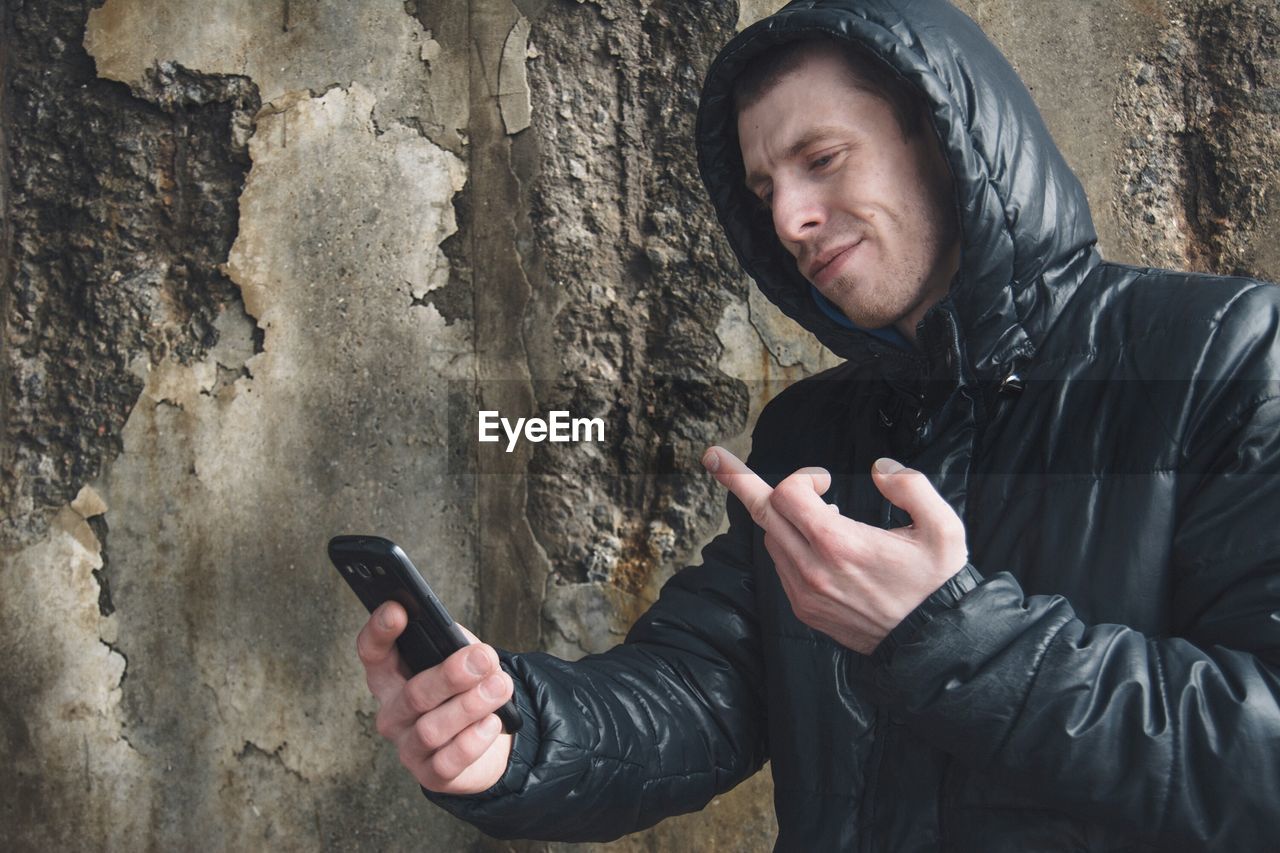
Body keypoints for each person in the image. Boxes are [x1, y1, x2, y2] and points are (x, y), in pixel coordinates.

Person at [355, 0, 1280, 848]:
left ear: (942, 136)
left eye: (823, 160)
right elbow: (702, 690)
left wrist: (948, 637)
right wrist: (513, 734)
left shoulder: (1223, 356)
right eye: (764, 193)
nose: (792, 219)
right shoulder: (813, 431)